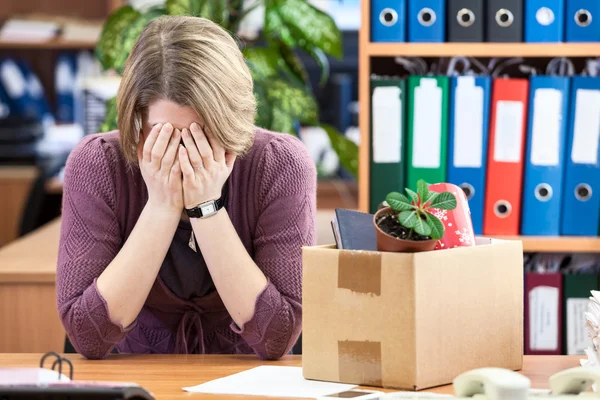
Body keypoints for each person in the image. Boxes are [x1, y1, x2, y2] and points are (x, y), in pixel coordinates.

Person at [56, 15, 316, 360]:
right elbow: (87, 336)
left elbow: (277, 337)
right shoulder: (99, 164)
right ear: (137, 124)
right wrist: (162, 208)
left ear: (233, 122)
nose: (185, 155)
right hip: (133, 380)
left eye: (201, 136)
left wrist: (206, 206)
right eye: (164, 136)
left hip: (245, 383)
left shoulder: (280, 164)